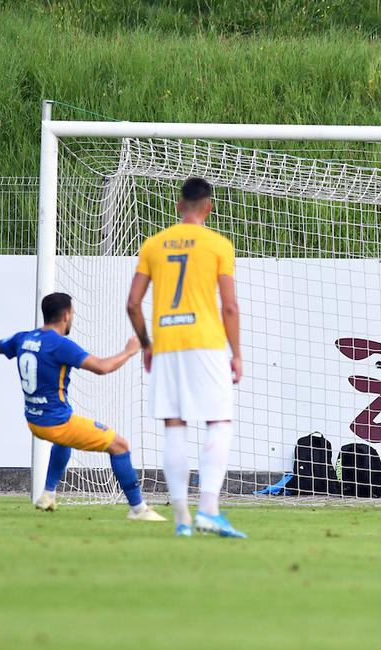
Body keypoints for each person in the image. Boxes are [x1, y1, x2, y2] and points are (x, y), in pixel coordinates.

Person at [0, 293, 164, 521]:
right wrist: (130, 350)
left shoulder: (24, 338)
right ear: (66, 315)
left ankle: (48, 495)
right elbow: (102, 367)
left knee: (64, 442)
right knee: (120, 445)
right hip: (56, 423)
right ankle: (138, 509)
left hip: (34, 421)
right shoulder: (60, 345)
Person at [126, 177, 244, 538]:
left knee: (174, 426)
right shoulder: (218, 245)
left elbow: (133, 303)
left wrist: (147, 344)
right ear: (208, 207)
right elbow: (230, 306)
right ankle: (209, 509)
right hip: (205, 343)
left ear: (179, 205)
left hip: (167, 344)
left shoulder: (154, 245)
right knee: (219, 421)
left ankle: (181, 519)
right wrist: (236, 353)